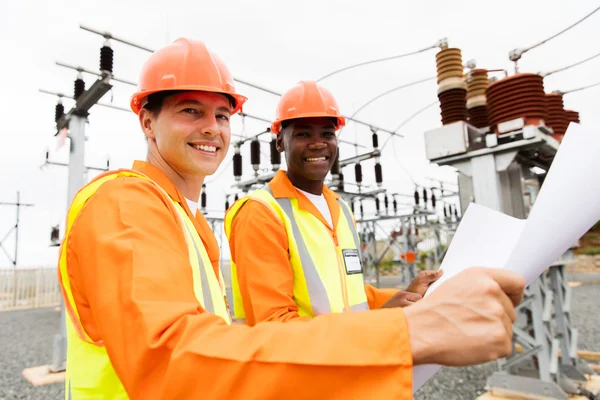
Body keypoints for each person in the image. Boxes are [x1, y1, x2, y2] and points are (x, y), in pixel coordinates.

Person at [57, 38, 526, 400]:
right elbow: (172, 356)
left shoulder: (188, 220)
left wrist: (403, 301)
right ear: (146, 122)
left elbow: (344, 295)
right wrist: (413, 333)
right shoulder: (123, 204)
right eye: (189, 111)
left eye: (222, 115)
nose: (211, 127)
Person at [224, 80, 442, 326]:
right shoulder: (261, 212)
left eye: (327, 133)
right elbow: (274, 324)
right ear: (279, 143)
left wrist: (405, 296)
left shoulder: (341, 209)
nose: (318, 143)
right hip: (299, 363)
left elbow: (348, 294)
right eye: (303, 133)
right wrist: (378, 321)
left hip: (345, 355)